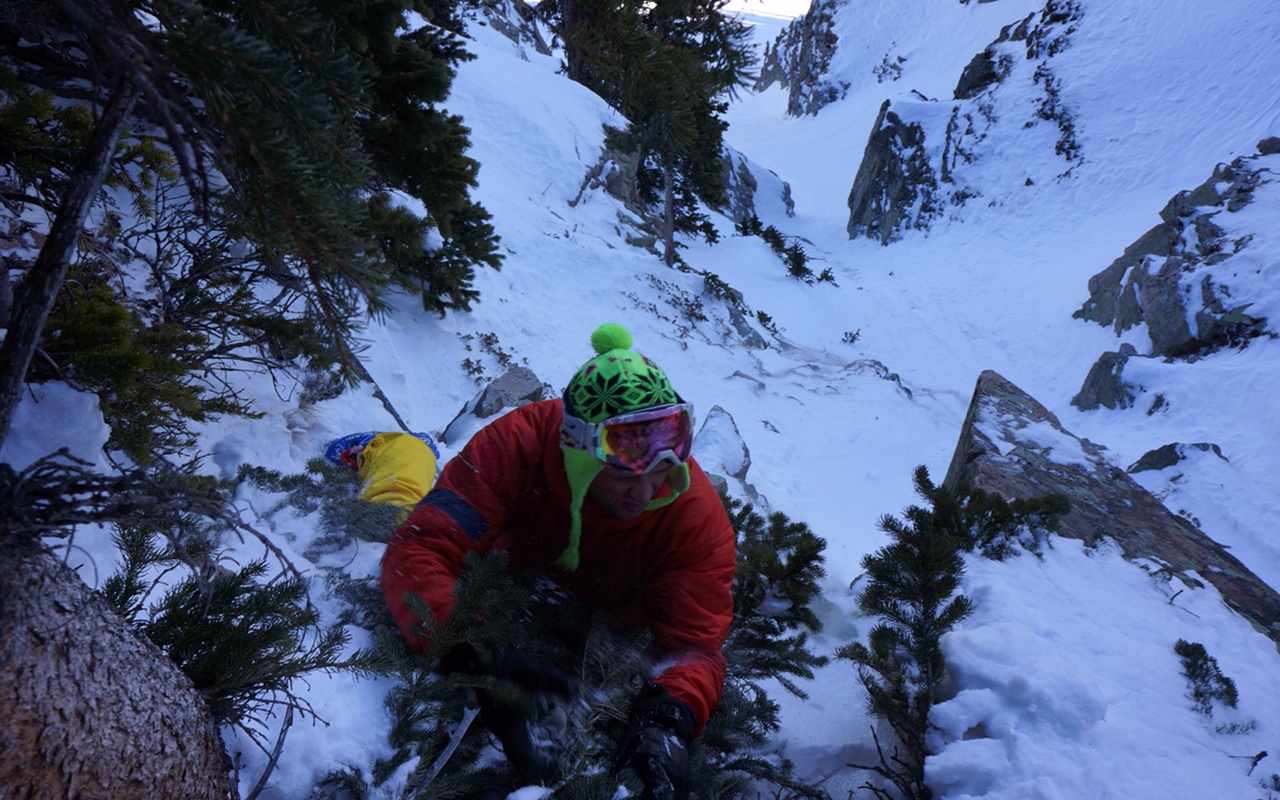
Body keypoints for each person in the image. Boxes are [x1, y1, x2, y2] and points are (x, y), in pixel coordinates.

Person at [375, 322, 737, 798]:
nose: (649, 488)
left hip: (598, 634)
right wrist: (468, 650)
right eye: (628, 465)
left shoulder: (694, 517)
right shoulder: (514, 446)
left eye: (664, 461)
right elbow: (419, 546)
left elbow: (695, 648)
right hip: (499, 589)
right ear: (581, 452)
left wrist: (669, 717)